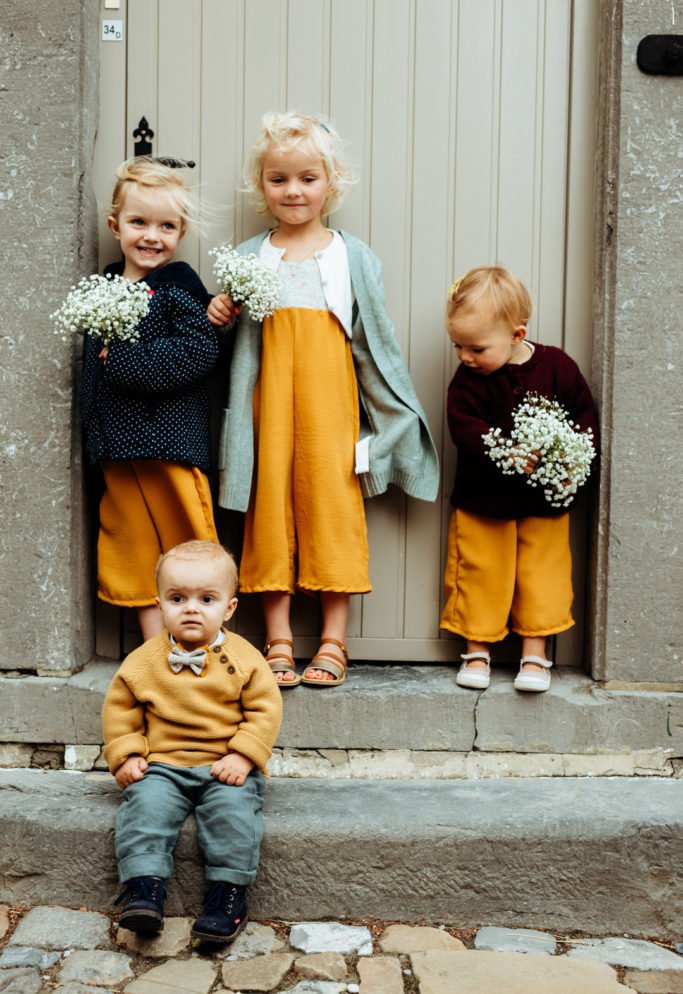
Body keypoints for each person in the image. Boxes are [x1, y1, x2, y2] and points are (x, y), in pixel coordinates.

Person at [208, 112, 439, 687]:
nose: (294, 191)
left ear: (331, 184)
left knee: (333, 510)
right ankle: (278, 638)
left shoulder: (349, 254)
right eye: (279, 179)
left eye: (308, 178)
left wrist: (389, 418)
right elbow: (234, 341)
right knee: (270, 511)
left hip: (330, 406)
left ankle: (334, 640)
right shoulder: (247, 254)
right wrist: (219, 315)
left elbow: (374, 342)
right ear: (260, 185)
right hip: (267, 410)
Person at [102, 540, 283, 942]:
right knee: (145, 808)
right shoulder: (144, 660)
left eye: (207, 598)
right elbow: (121, 709)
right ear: (159, 605)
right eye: (177, 598)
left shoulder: (246, 659)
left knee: (234, 814)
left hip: (225, 765)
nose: (191, 608)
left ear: (229, 608)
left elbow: (265, 710)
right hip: (162, 765)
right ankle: (144, 888)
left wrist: (243, 755)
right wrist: (126, 754)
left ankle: (228, 894)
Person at [439, 266, 599, 693]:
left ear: (516, 334)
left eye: (476, 347)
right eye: (457, 345)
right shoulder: (467, 382)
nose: (465, 357)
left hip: (544, 501)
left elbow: (583, 417)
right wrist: (504, 452)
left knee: (541, 573)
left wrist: (573, 465)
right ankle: (477, 649)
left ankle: (535, 651)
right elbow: (464, 426)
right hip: (483, 501)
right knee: (481, 571)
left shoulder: (557, 368)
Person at [81, 157, 221, 642]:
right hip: (117, 448)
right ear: (115, 225)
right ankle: (153, 648)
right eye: (139, 222)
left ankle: (201, 644)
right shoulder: (102, 290)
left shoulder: (177, 289)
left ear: (181, 233)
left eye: (167, 226)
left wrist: (118, 360)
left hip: (168, 446)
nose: (151, 236)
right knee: (132, 545)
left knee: (187, 541)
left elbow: (198, 351)